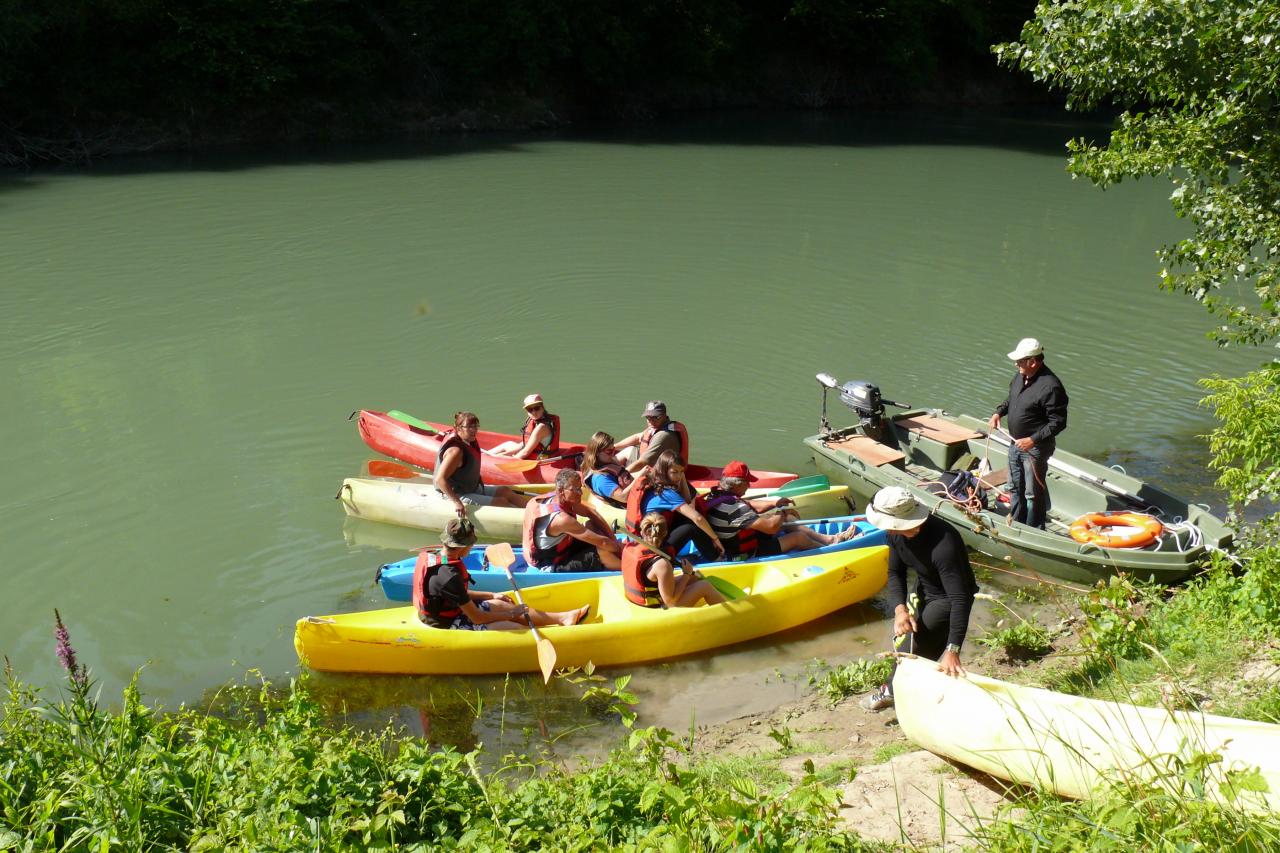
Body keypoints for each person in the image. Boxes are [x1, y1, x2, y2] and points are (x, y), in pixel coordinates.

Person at [860, 487, 978, 711]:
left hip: (948, 599)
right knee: (911, 642)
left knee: (911, 649)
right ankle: (920, 694)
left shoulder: (945, 543)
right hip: (924, 587)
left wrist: (953, 650)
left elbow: (961, 598)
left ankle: (891, 694)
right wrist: (899, 609)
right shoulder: (894, 534)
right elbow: (895, 572)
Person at [413, 518, 590, 630]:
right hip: (445, 624)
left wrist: (492, 595)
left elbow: (458, 595)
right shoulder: (448, 575)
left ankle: (563, 618)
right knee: (509, 624)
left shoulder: (436, 558)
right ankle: (541, 635)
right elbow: (476, 617)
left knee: (501, 604)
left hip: (454, 610)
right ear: (464, 547)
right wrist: (511, 614)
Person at [697, 460, 857, 559]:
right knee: (797, 538)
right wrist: (783, 513)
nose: (750, 486)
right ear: (738, 484)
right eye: (747, 483)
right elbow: (770, 527)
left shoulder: (716, 496)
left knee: (784, 519)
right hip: (742, 554)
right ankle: (834, 552)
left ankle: (829, 540)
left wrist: (776, 504)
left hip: (733, 540)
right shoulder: (735, 508)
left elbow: (751, 504)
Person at [987, 338, 1069, 530]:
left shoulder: (1050, 386)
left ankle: (1034, 528)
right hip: (1015, 445)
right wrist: (998, 412)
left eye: (1020, 361)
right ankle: (1016, 522)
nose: (1016, 364)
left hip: (1035, 449)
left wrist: (1032, 440)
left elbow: (1058, 422)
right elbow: (1011, 399)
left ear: (1033, 361)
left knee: (1033, 493)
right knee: (1014, 487)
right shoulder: (1019, 376)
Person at [626, 450, 725, 562]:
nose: (678, 476)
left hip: (643, 538)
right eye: (675, 472)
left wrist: (681, 477)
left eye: (681, 471)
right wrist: (715, 539)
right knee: (692, 527)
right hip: (655, 547)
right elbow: (697, 518)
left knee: (686, 516)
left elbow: (687, 501)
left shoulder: (651, 481)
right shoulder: (666, 493)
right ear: (664, 470)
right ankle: (716, 558)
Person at [521, 470, 623, 572]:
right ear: (561, 491)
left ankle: (617, 558)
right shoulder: (562, 520)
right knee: (602, 551)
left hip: (559, 549)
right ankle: (628, 570)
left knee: (590, 525)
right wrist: (621, 549)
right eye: (576, 489)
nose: (581, 493)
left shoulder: (560, 498)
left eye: (580, 488)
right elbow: (603, 543)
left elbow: (591, 513)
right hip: (550, 564)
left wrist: (613, 538)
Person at [622, 512, 727, 609]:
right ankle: (732, 617)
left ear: (642, 531)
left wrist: (689, 576)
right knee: (705, 586)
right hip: (658, 608)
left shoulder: (630, 547)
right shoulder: (662, 565)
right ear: (666, 533)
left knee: (695, 577)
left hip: (639, 599)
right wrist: (686, 574)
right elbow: (670, 602)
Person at [435, 411, 529, 517]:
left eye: (475, 426)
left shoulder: (468, 441)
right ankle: (524, 520)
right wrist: (457, 502)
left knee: (505, 491)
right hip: (455, 494)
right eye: (469, 427)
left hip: (470, 488)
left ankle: (534, 511)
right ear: (458, 428)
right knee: (501, 502)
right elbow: (440, 479)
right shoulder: (455, 451)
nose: (474, 430)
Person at [614, 401, 690, 472]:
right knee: (630, 449)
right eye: (648, 417)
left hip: (660, 474)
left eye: (655, 417)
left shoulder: (663, 435)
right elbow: (638, 437)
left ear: (664, 416)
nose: (651, 421)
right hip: (656, 464)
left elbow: (642, 463)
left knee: (628, 452)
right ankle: (607, 467)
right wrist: (613, 447)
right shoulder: (658, 426)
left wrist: (622, 476)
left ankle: (609, 472)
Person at [490, 394, 562, 458]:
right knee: (507, 444)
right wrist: (506, 454)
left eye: (537, 408)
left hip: (539, 458)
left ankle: (484, 457)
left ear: (542, 407)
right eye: (530, 409)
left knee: (500, 455)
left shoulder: (541, 427)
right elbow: (525, 444)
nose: (534, 412)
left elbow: (525, 453)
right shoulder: (542, 420)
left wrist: (508, 458)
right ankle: (485, 455)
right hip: (536, 452)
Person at [580, 431, 638, 507]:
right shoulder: (600, 479)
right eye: (609, 451)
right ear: (597, 452)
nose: (613, 453)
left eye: (614, 449)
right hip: (629, 502)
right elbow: (624, 497)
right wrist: (640, 477)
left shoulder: (605, 462)